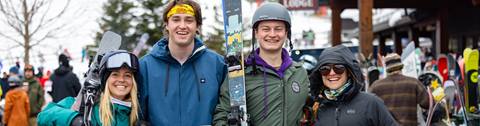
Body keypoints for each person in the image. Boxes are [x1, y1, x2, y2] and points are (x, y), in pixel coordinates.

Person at [213, 3, 310, 126]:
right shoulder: (239, 76)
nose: (272, 34)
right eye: (266, 29)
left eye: (278, 29)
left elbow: (309, 109)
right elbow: (222, 115)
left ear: (286, 33)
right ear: (256, 33)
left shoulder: (299, 73)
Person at [137, 0, 227, 125]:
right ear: (167, 25)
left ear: (197, 26)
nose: (182, 26)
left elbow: (226, 110)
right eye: (176, 19)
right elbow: (136, 117)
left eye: (189, 20)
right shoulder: (145, 67)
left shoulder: (218, 65)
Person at [38, 50, 141, 126]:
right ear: (105, 80)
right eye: (115, 74)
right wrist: (73, 120)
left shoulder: (137, 113)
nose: (121, 79)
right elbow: (44, 116)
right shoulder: (87, 105)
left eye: (127, 75)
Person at [309, 45, 398, 126]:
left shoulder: (371, 103)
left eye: (339, 68)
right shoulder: (316, 107)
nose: (332, 73)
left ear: (348, 72)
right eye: (325, 69)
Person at [369, 53, 429, 126]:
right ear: (401, 66)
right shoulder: (414, 83)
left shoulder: (376, 86)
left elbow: (369, 110)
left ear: (387, 68)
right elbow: (427, 104)